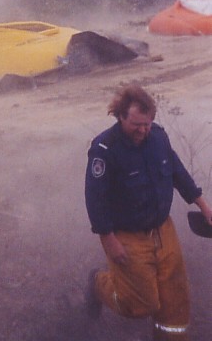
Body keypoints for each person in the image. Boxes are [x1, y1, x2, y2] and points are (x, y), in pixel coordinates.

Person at [84, 83, 212, 340]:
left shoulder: (159, 138)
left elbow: (177, 172)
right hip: (127, 235)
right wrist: (108, 240)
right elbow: (95, 198)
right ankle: (98, 283)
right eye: (136, 124)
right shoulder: (104, 149)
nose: (143, 130)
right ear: (120, 116)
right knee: (140, 304)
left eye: (147, 123)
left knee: (174, 298)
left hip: (163, 229)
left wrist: (203, 205)